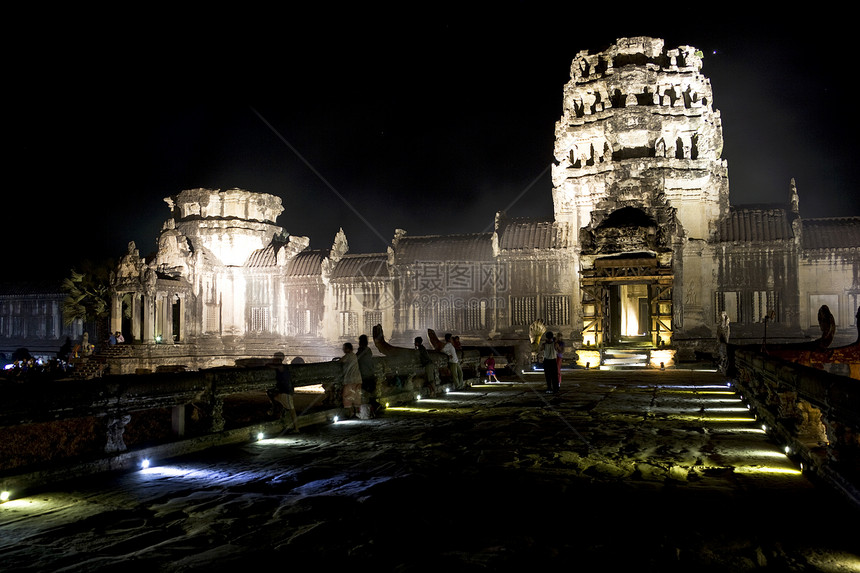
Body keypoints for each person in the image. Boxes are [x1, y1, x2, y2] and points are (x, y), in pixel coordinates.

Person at [267, 352, 299, 433]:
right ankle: (276, 410)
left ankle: (296, 429)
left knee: (292, 411)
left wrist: (269, 364)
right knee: (272, 396)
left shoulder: (281, 367)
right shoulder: (282, 367)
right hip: (284, 391)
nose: (273, 360)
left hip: (286, 392)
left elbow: (269, 365)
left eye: (274, 358)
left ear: (278, 360)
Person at [340, 342, 365, 418]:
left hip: (350, 380)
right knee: (357, 396)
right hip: (358, 379)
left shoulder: (347, 356)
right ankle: (358, 413)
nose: (343, 349)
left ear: (348, 349)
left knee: (347, 396)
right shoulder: (354, 356)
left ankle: (351, 413)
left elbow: (340, 361)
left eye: (344, 348)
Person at [356, 334, 376, 418]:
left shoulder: (361, 351)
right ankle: (372, 412)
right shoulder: (369, 350)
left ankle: (366, 414)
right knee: (371, 396)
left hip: (363, 376)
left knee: (364, 396)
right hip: (371, 375)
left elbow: (356, 359)